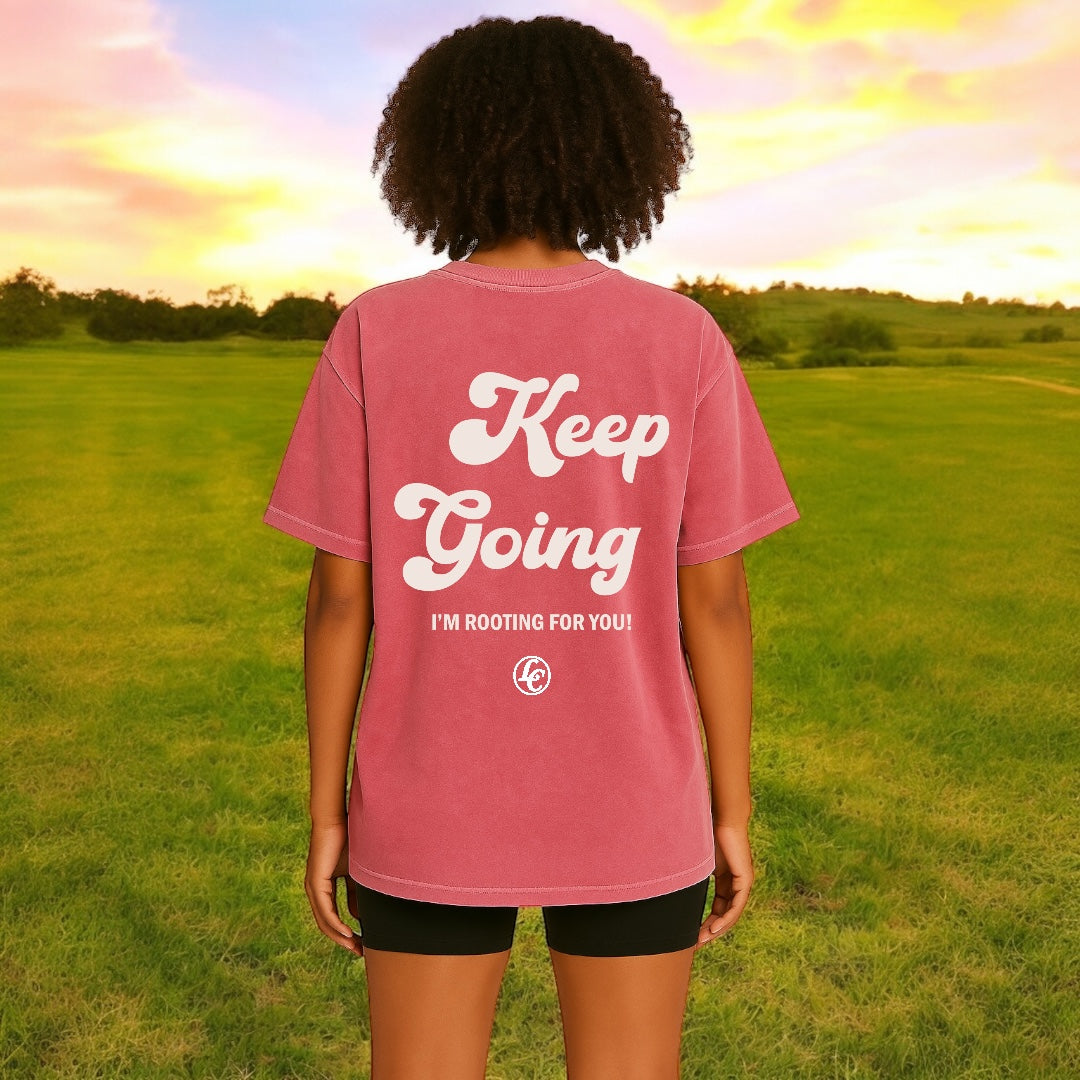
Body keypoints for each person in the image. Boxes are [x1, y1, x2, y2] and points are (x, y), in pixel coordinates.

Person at [261, 14, 800, 1079]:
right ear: (621, 153)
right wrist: (729, 808)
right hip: (637, 797)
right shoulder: (680, 336)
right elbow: (719, 602)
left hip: (426, 799)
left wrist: (330, 812)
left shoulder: (376, 330)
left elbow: (336, 599)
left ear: (435, 154)